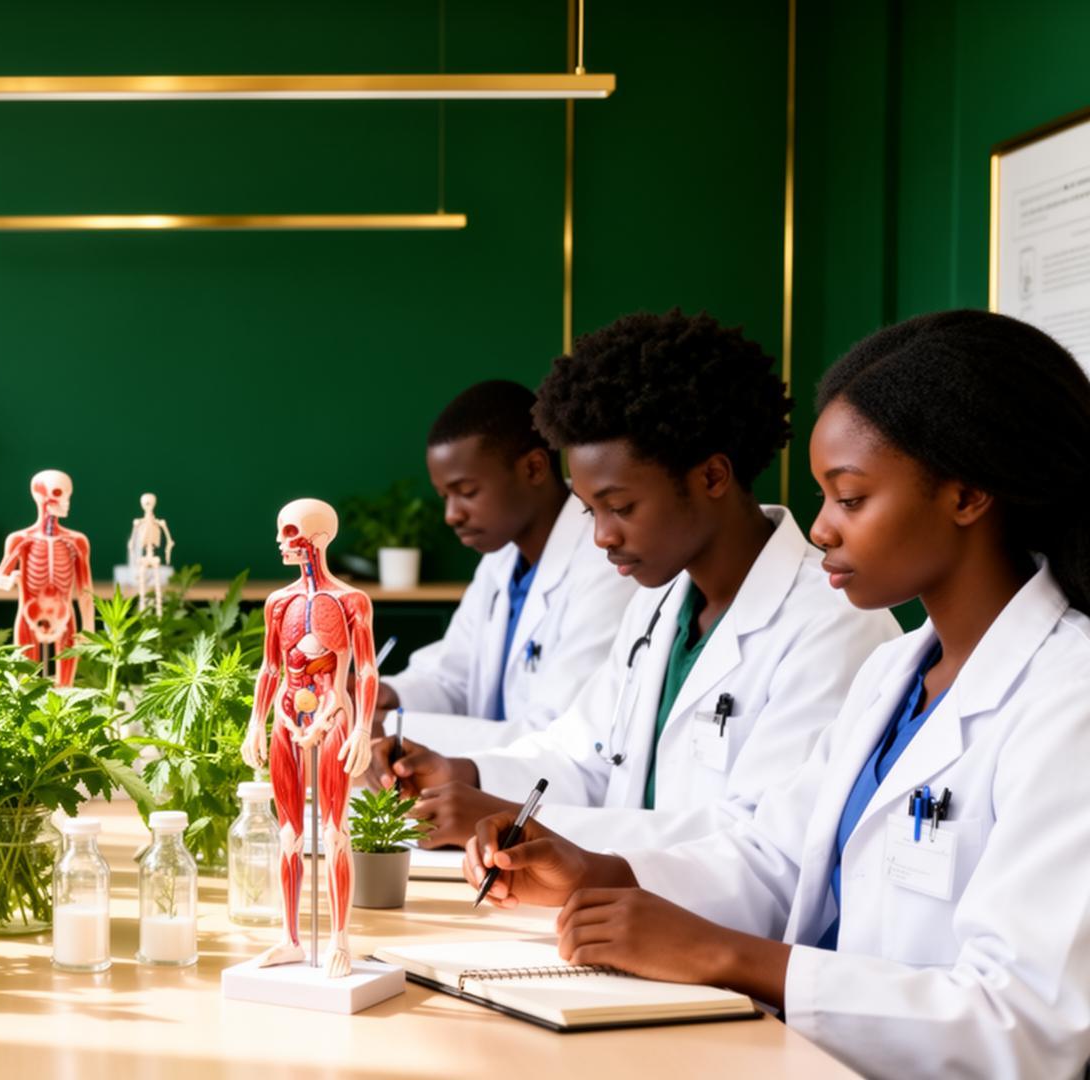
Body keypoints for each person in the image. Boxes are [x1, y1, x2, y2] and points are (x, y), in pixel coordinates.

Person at [463, 310, 1090, 1077]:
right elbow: (776, 862)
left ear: (966, 496)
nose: (821, 528)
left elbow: (1025, 1023)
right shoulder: (897, 678)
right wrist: (599, 874)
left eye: (851, 499)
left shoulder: (1069, 700)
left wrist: (730, 956)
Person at [379, 310, 897, 851]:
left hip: (709, 929)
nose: (602, 536)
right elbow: (583, 755)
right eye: (588, 512)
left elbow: (761, 846)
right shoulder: (660, 605)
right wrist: (461, 773)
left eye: (620, 506)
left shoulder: (835, 623)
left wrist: (520, 820)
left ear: (713, 477)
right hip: (615, 913)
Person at [365, 380, 635, 778]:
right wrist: (386, 696)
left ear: (534, 468)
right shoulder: (502, 558)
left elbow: (553, 733)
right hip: (483, 788)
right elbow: (451, 677)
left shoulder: (610, 564)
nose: (451, 515)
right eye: (445, 497)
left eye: (467, 491)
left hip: (546, 797)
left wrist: (392, 729)